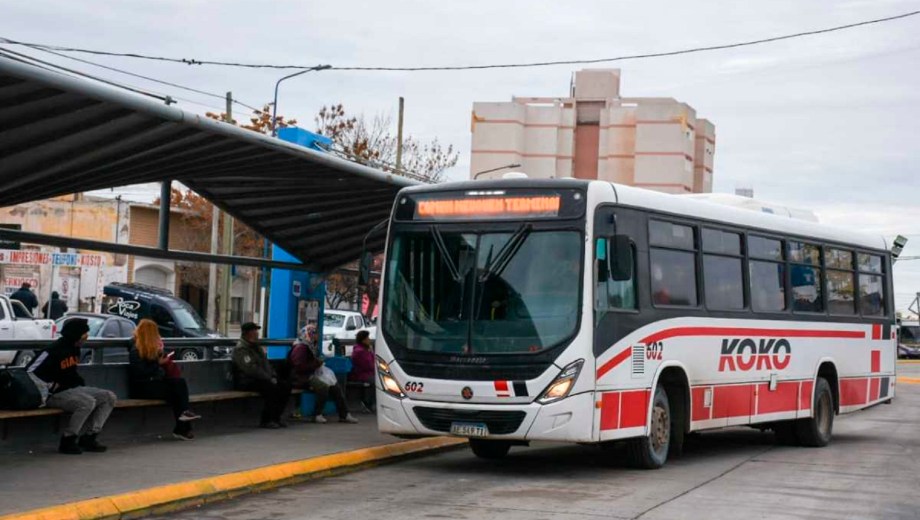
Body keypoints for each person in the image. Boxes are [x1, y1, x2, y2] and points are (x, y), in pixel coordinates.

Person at [27, 318, 116, 454]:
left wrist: (80, 384)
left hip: (71, 389)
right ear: (76, 334)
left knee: (108, 397)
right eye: (84, 334)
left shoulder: (75, 350)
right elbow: (30, 370)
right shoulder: (53, 350)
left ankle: (90, 437)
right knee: (87, 402)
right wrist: (48, 387)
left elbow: (71, 373)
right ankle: (68, 439)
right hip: (52, 394)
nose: (86, 337)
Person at [128, 319, 201, 440]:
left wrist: (161, 359)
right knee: (177, 394)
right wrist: (158, 363)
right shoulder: (136, 350)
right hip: (142, 387)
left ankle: (184, 420)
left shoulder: (151, 349)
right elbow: (140, 373)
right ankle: (182, 427)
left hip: (154, 383)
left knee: (179, 384)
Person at [290, 325, 358, 424]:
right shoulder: (300, 348)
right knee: (323, 387)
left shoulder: (309, 346)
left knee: (335, 387)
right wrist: (317, 363)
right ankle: (317, 414)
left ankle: (344, 414)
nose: (318, 336)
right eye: (316, 333)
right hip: (301, 377)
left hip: (309, 374)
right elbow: (299, 366)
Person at [233, 322, 291, 429]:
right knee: (271, 388)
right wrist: (268, 378)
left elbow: (266, 363)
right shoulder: (241, 349)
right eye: (254, 331)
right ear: (247, 333)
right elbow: (251, 369)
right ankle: (266, 420)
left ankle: (276, 417)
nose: (256, 333)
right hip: (247, 380)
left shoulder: (256, 347)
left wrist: (273, 375)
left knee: (285, 386)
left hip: (262, 378)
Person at [350, 330, 376, 413]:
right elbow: (369, 365)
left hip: (369, 373)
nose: (369, 340)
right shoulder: (360, 351)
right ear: (363, 340)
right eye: (367, 338)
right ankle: (368, 403)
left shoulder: (365, 350)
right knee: (377, 382)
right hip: (362, 375)